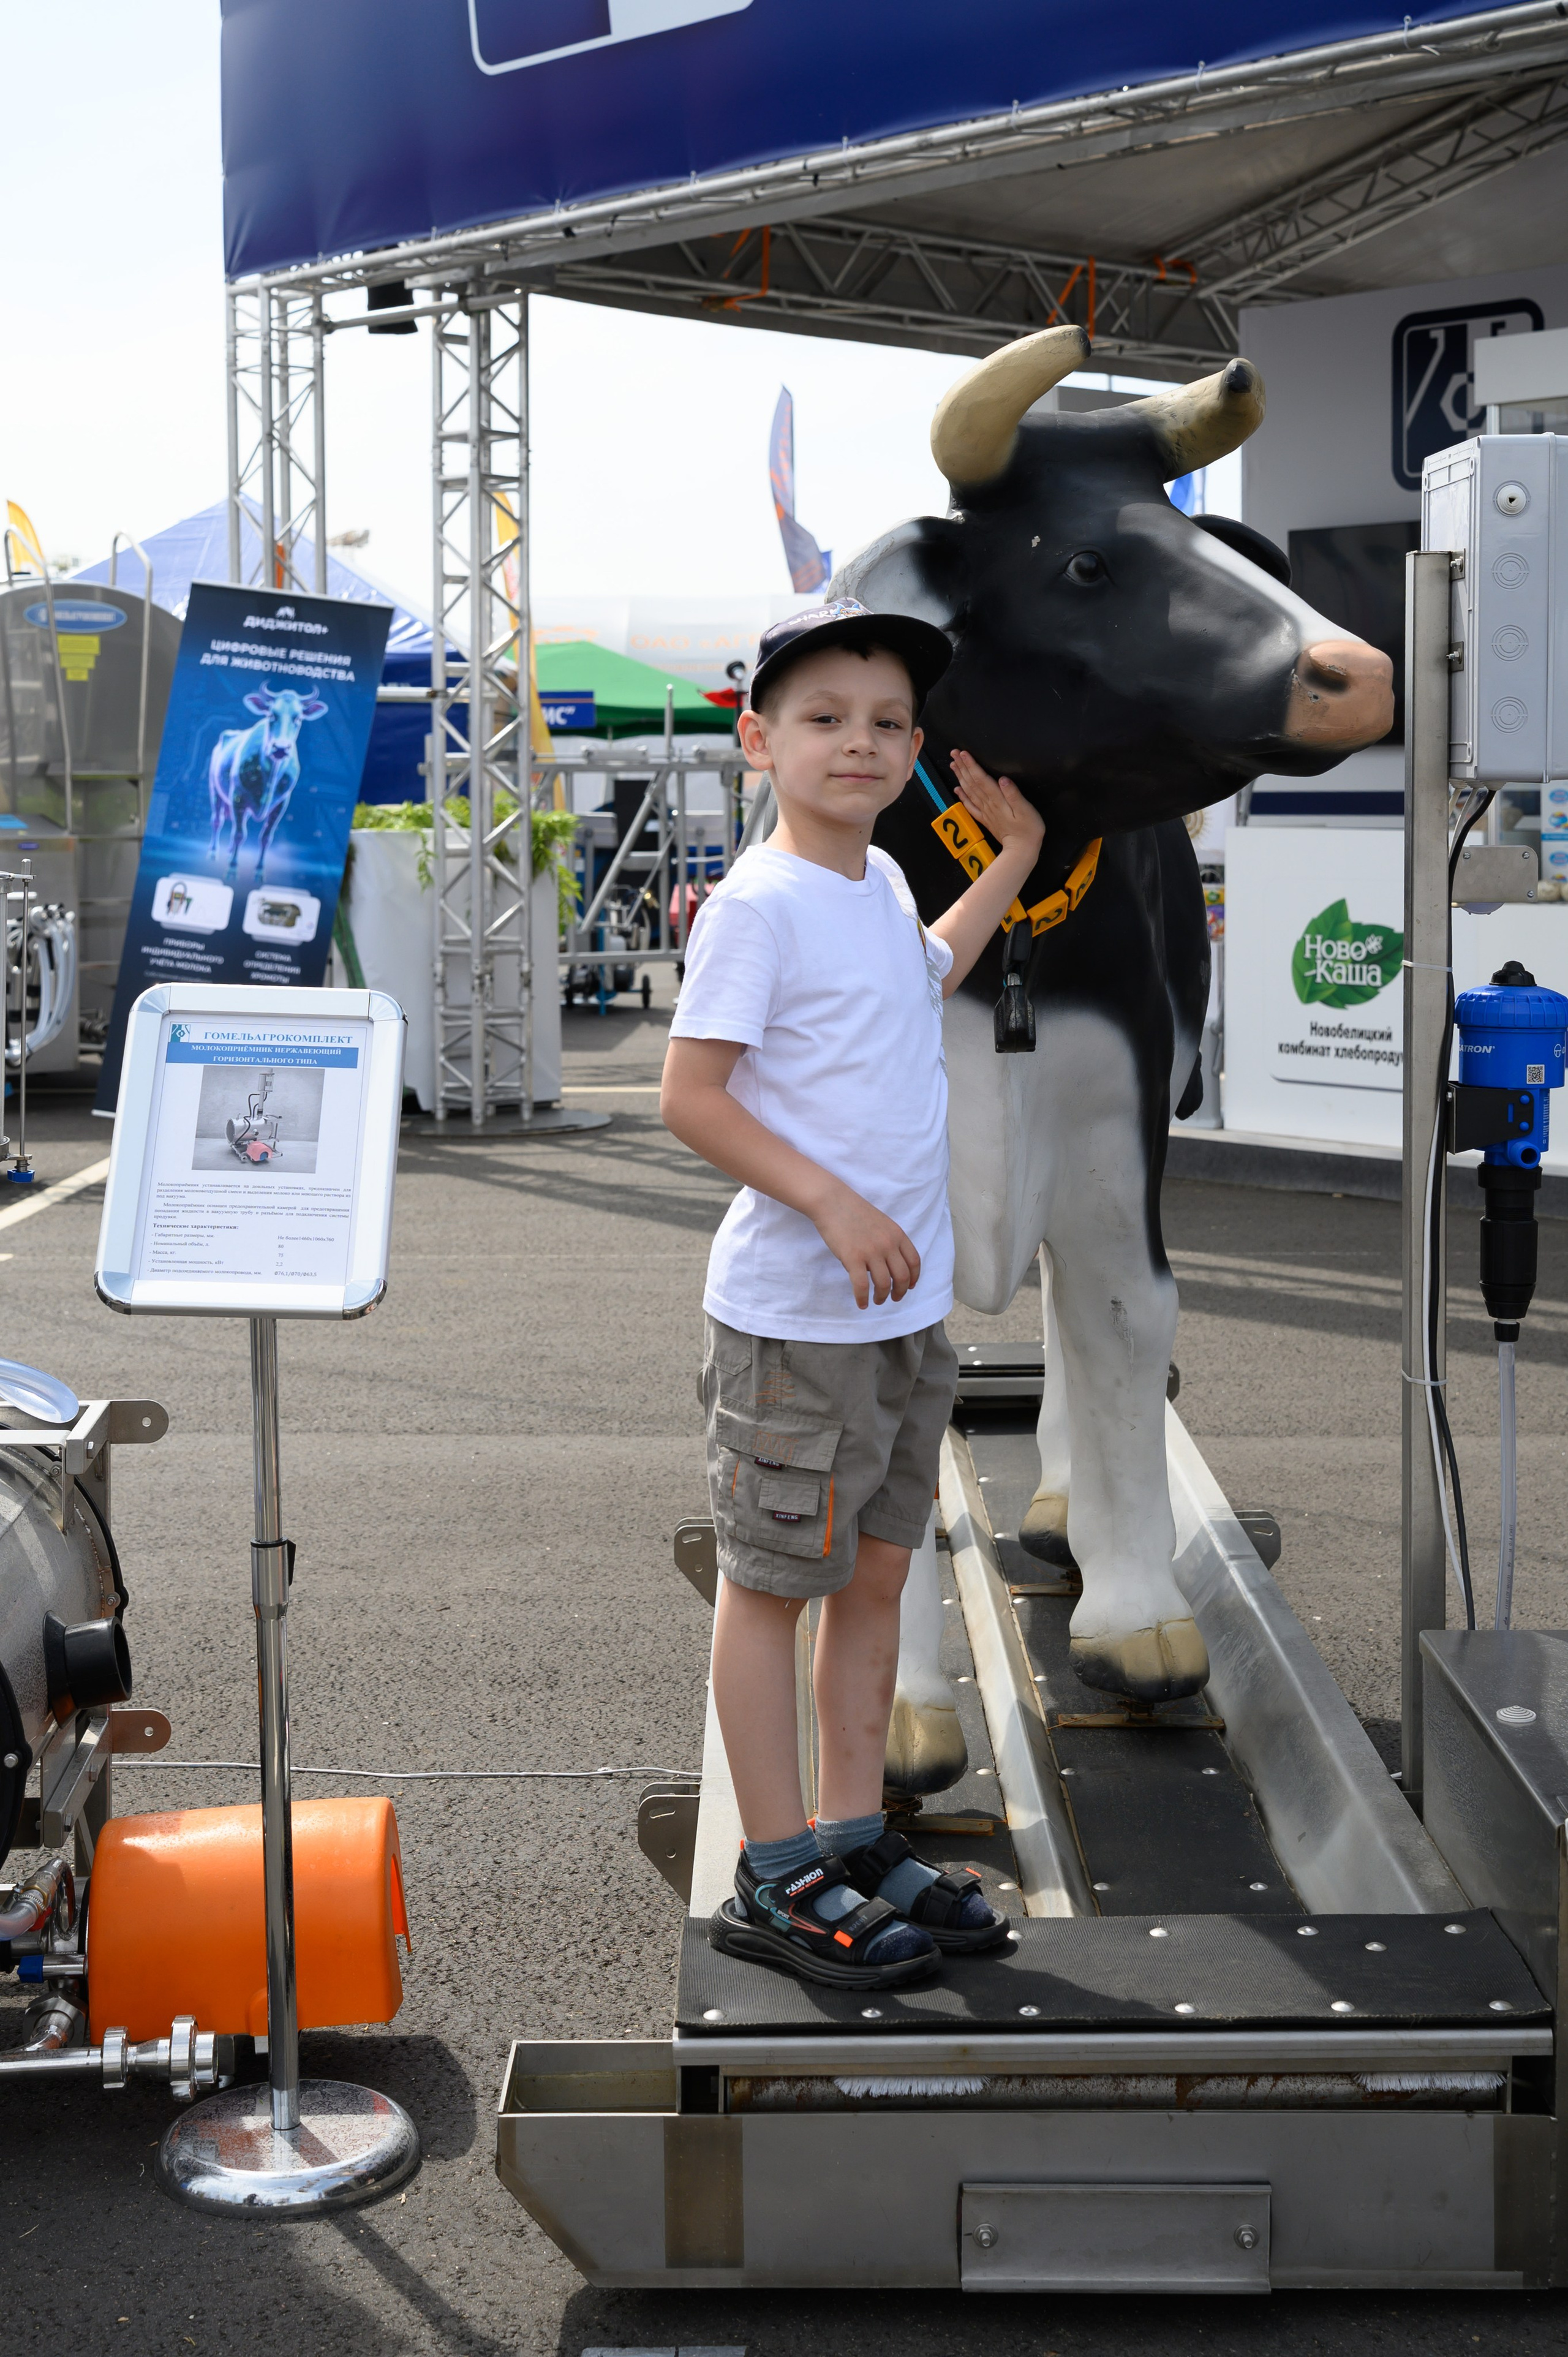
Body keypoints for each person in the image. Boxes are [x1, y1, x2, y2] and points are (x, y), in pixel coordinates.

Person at [660, 598, 1045, 1989]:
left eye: (888, 722)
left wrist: (1014, 858)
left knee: (877, 1579)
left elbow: (929, 965)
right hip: (794, 1322)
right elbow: (690, 1096)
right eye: (824, 717)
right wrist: (827, 1199)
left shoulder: (876, 882)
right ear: (758, 740)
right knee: (771, 1589)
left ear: (915, 748)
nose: (860, 742)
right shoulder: (755, 906)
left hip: (900, 1318)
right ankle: (774, 1874)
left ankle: (848, 1834)